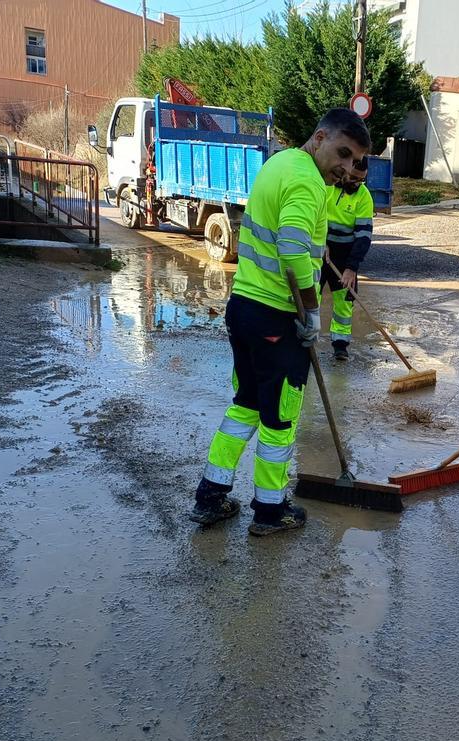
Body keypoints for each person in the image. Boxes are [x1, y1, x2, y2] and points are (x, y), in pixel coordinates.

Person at [190, 109, 371, 536]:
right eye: (342, 154)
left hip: (245, 307)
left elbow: (286, 239)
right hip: (276, 317)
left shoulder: (280, 162)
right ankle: (270, 511)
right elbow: (291, 249)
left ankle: (210, 495)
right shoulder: (307, 181)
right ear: (319, 137)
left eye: (353, 161)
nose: (345, 168)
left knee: (246, 405)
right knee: (279, 418)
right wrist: (309, 311)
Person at [322, 156, 374, 361]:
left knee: (344, 300)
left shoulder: (363, 197)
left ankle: (340, 344)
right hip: (320, 249)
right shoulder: (326, 187)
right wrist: (320, 242)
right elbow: (314, 217)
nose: (357, 184)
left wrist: (351, 268)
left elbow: (363, 236)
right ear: (344, 171)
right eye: (353, 178)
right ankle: (302, 342)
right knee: (310, 295)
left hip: (345, 255)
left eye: (361, 180)